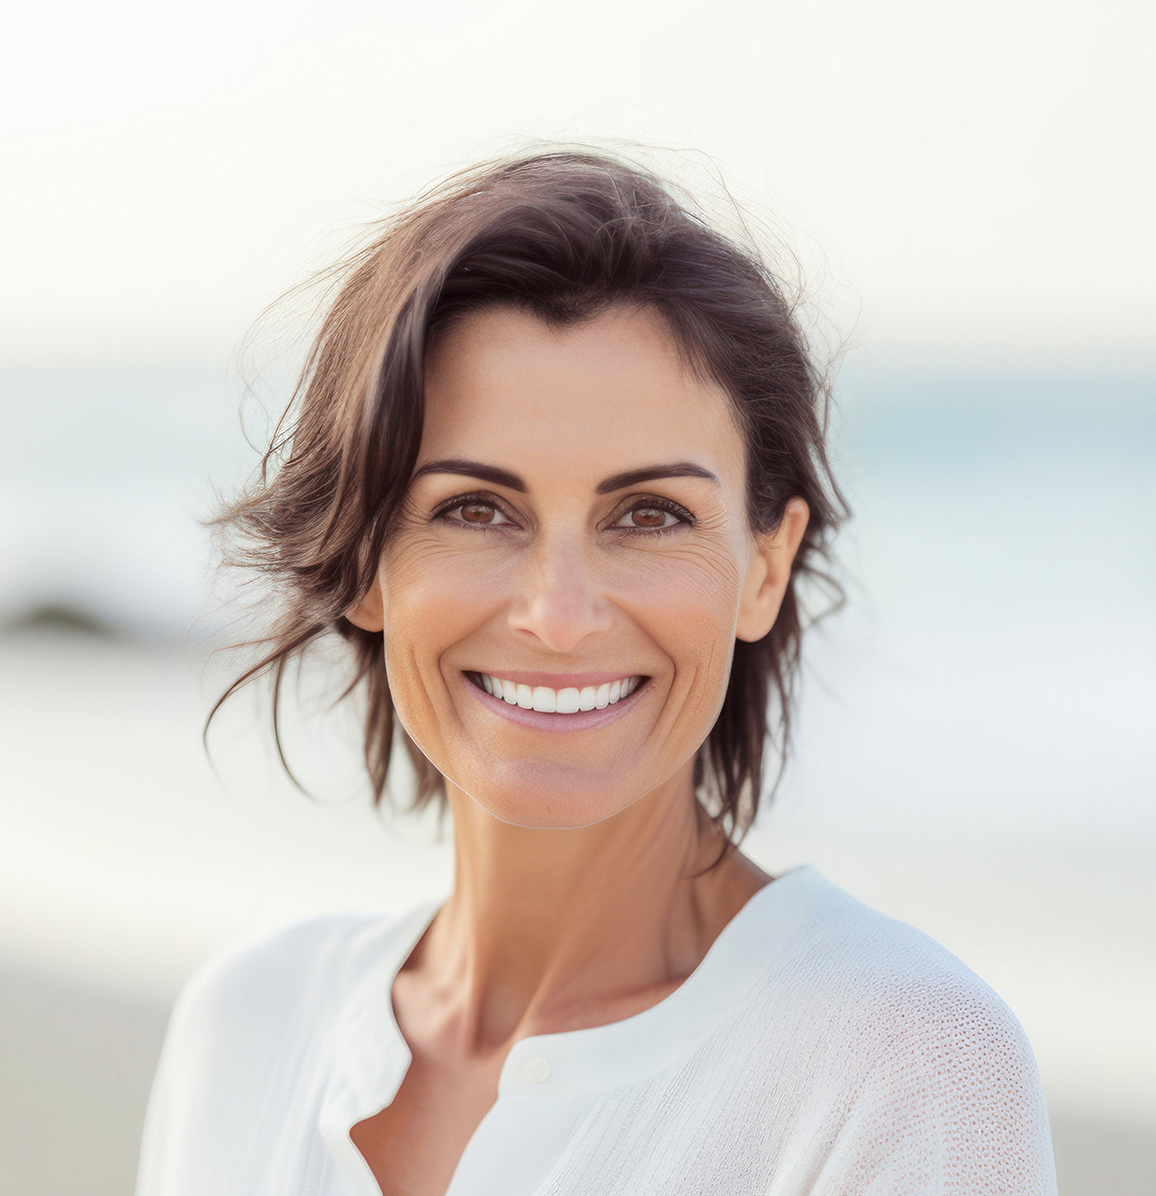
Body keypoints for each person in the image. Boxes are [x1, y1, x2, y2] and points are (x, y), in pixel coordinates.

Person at [135, 149, 1058, 1196]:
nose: (559, 617)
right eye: (474, 509)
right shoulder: (245, 1025)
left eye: (649, 515)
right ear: (363, 561)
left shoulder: (902, 1065)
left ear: (764, 567)